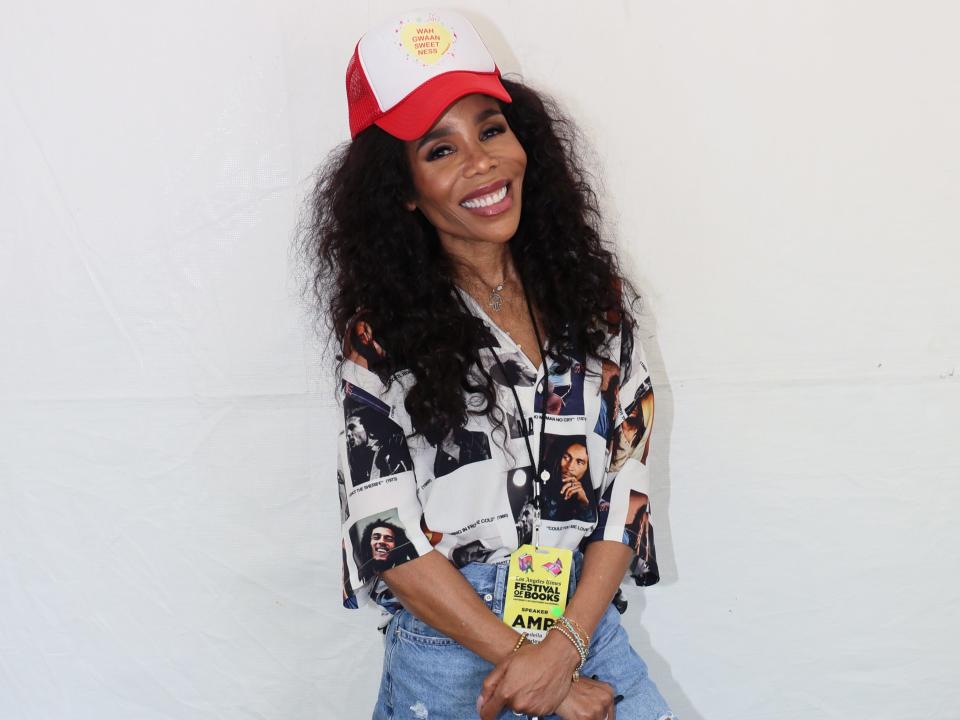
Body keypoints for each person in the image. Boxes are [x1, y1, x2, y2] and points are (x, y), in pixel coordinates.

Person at [302, 10, 674, 719]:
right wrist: (532, 672)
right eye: (438, 150)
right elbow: (389, 538)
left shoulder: (596, 307)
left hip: (582, 629)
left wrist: (563, 650)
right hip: (452, 656)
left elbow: (627, 486)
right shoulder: (379, 341)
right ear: (401, 189)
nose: (481, 162)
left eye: (490, 129)